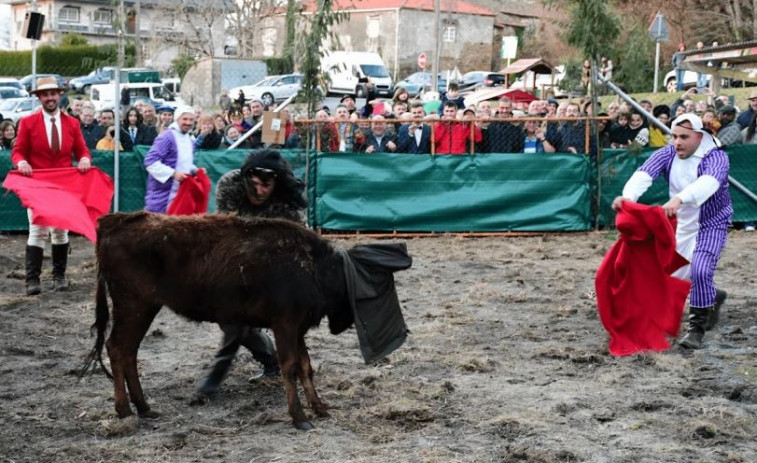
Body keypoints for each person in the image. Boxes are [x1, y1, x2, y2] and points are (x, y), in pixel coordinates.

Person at [195, 149, 307, 400]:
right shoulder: (231, 184)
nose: (258, 191)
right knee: (230, 317)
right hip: (236, 259)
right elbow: (227, 230)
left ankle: (218, 373)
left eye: (265, 186)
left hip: (277, 266)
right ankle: (271, 360)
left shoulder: (289, 202)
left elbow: (298, 244)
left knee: (241, 319)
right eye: (253, 184)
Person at [612, 113, 731, 349]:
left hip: (711, 222)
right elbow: (643, 174)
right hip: (679, 223)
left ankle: (695, 330)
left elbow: (708, 183)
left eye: (684, 137)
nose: (677, 142)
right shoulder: (668, 153)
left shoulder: (716, 157)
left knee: (700, 270)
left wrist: (679, 199)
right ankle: (712, 297)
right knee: (668, 275)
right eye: (674, 136)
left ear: (699, 136)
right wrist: (627, 200)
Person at [10, 76, 92, 295]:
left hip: (63, 186)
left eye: (53, 94)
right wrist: (22, 162)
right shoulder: (28, 122)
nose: (49, 98)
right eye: (45, 95)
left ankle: (59, 276)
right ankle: (32, 280)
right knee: (37, 231)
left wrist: (85, 159)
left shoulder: (72, 123)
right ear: (39, 98)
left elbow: (82, 150)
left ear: (60, 95)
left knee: (60, 230)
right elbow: (17, 152)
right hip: (38, 186)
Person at [143, 106, 201, 213]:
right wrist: (173, 173)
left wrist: (195, 170)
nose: (188, 123)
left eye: (191, 120)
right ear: (177, 119)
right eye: (185, 119)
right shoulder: (167, 137)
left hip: (181, 193)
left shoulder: (190, 140)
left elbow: (183, 163)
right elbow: (150, 161)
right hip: (162, 194)